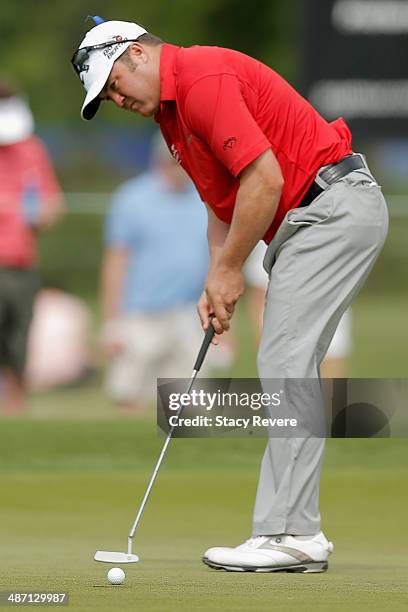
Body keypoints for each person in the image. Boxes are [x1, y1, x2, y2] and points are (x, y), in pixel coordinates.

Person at [71, 19, 389, 572]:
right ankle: (296, 530)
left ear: (138, 54)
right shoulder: (173, 118)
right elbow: (222, 202)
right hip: (313, 219)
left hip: (331, 208)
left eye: (115, 83)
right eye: (106, 96)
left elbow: (263, 178)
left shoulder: (201, 77)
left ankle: (291, 532)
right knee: (289, 359)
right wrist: (217, 277)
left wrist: (231, 271)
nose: (117, 98)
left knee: (284, 358)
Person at [100, 131, 209, 413]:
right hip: (140, 312)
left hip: (190, 313)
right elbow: (116, 261)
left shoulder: (202, 198)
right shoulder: (132, 198)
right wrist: (112, 320)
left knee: (188, 404)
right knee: (129, 393)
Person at [0, 79, 63, 413]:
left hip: (21, 262)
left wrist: (41, 215)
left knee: (19, 334)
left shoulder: (31, 149)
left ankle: (15, 403)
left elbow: (52, 204)